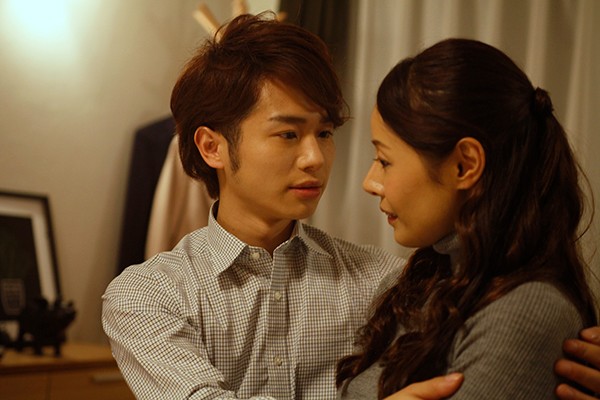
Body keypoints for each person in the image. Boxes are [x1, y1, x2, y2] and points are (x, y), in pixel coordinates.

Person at [102, 13, 600, 400]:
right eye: (288, 134)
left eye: (325, 133)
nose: (316, 158)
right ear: (212, 147)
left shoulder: (390, 285)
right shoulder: (149, 297)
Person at [335, 38, 599, 400]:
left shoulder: (525, 309)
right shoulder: (421, 282)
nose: (370, 183)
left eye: (385, 160)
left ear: (465, 165)